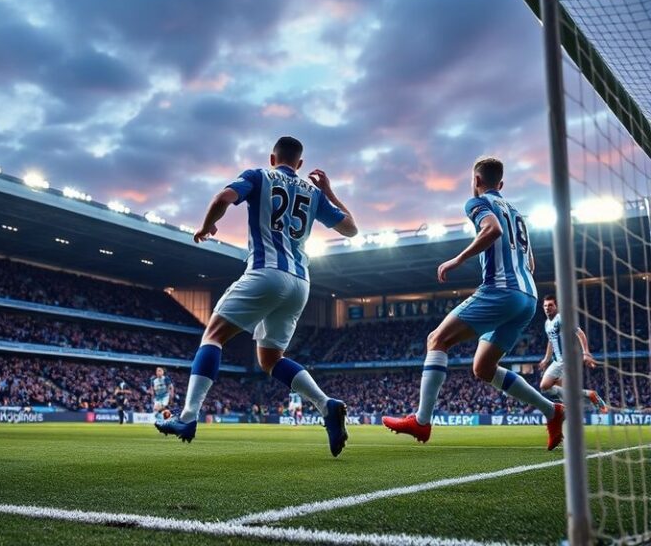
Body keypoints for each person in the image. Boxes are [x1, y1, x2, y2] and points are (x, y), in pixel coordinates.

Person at [156, 136, 358, 456]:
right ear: (300, 164)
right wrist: (329, 191)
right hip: (300, 283)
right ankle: (326, 404)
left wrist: (206, 227)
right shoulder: (313, 192)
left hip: (266, 272)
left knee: (213, 335)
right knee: (270, 359)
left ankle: (188, 416)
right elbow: (350, 229)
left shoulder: (258, 175)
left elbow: (223, 198)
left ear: (272, 158)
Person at [383, 156, 565, 450]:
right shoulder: (518, 214)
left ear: (477, 181)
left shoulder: (476, 203)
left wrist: (459, 259)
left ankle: (421, 421)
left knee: (437, 339)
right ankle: (551, 410)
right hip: (528, 298)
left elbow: (492, 230)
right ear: (501, 183)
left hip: (501, 291)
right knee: (483, 368)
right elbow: (530, 262)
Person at [539, 294, 608, 412]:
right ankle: (589, 394)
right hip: (557, 361)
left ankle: (578, 401)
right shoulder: (547, 323)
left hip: (566, 360)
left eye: (550, 305)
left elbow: (580, 333)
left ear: (556, 306)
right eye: (545, 306)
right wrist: (546, 359)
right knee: (545, 386)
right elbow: (551, 341)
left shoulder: (562, 319)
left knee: (558, 389)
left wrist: (586, 353)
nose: (547, 308)